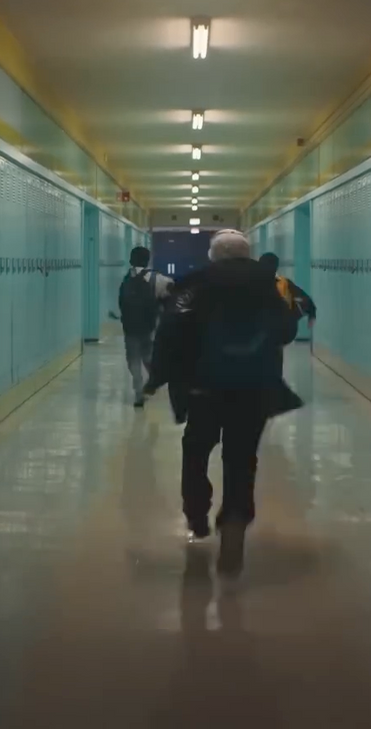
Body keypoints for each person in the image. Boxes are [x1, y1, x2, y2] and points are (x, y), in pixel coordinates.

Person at [144, 229, 297, 573]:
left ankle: (196, 511)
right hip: (253, 388)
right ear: (247, 254)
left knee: (196, 448)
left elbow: (170, 331)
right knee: (241, 458)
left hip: (204, 387)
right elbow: (287, 330)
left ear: (213, 255)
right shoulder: (270, 283)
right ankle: (234, 528)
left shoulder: (196, 282)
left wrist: (157, 376)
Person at [116, 246, 172, 408]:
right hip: (151, 327)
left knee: (133, 359)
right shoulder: (159, 279)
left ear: (131, 260)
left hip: (130, 326)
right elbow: (171, 300)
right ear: (148, 260)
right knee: (149, 356)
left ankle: (138, 392)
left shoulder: (127, 277)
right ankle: (153, 382)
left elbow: (121, 302)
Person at [257, 252, 317, 343]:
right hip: (281, 327)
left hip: (261, 327)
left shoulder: (253, 281)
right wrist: (311, 313)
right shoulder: (284, 282)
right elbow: (304, 298)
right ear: (276, 266)